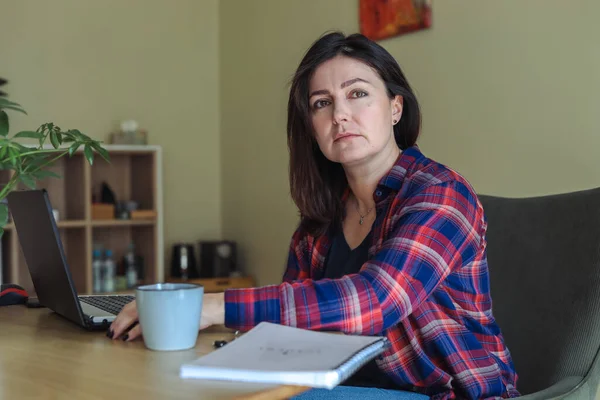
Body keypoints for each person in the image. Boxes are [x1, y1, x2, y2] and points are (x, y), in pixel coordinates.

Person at [108, 31, 520, 400]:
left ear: (396, 108)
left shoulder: (441, 194)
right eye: (322, 103)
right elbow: (291, 330)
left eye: (357, 94)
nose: (340, 114)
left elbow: (376, 301)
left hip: (445, 393)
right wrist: (186, 326)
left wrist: (211, 307)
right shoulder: (320, 220)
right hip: (336, 383)